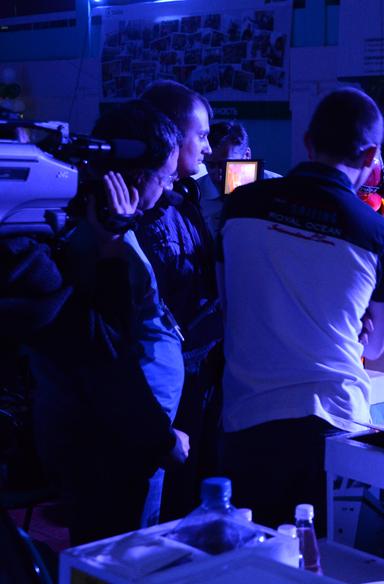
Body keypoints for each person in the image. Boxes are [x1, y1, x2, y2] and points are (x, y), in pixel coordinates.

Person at [218, 88, 384, 533]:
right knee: (322, 557)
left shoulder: (239, 205)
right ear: (371, 155)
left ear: (307, 141)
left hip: (249, 418)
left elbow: (228, 301)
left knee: (255, 557)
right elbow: (376, 346)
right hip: (333, 419)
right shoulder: (375, 232)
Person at [26, 100, 189, 543]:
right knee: (120, 560)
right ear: (133, 179)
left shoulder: (108, 232)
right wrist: (160, 439)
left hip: (128, 438)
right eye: (164, 178)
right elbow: (106, 361)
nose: (169, 189)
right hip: (115, 445)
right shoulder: (94, 244)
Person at [139, 80, 224, 521]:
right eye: (202, 135)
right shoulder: (151, 217)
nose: (208, 148)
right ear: (171, 135)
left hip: (195, 378)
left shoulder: (181, 201)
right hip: (170, 388)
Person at [200, 120, 283, 234]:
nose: (219, 176)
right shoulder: (195, 195)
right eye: (211, 165)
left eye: (226, 166)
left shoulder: (279, 189)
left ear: (247, 155)